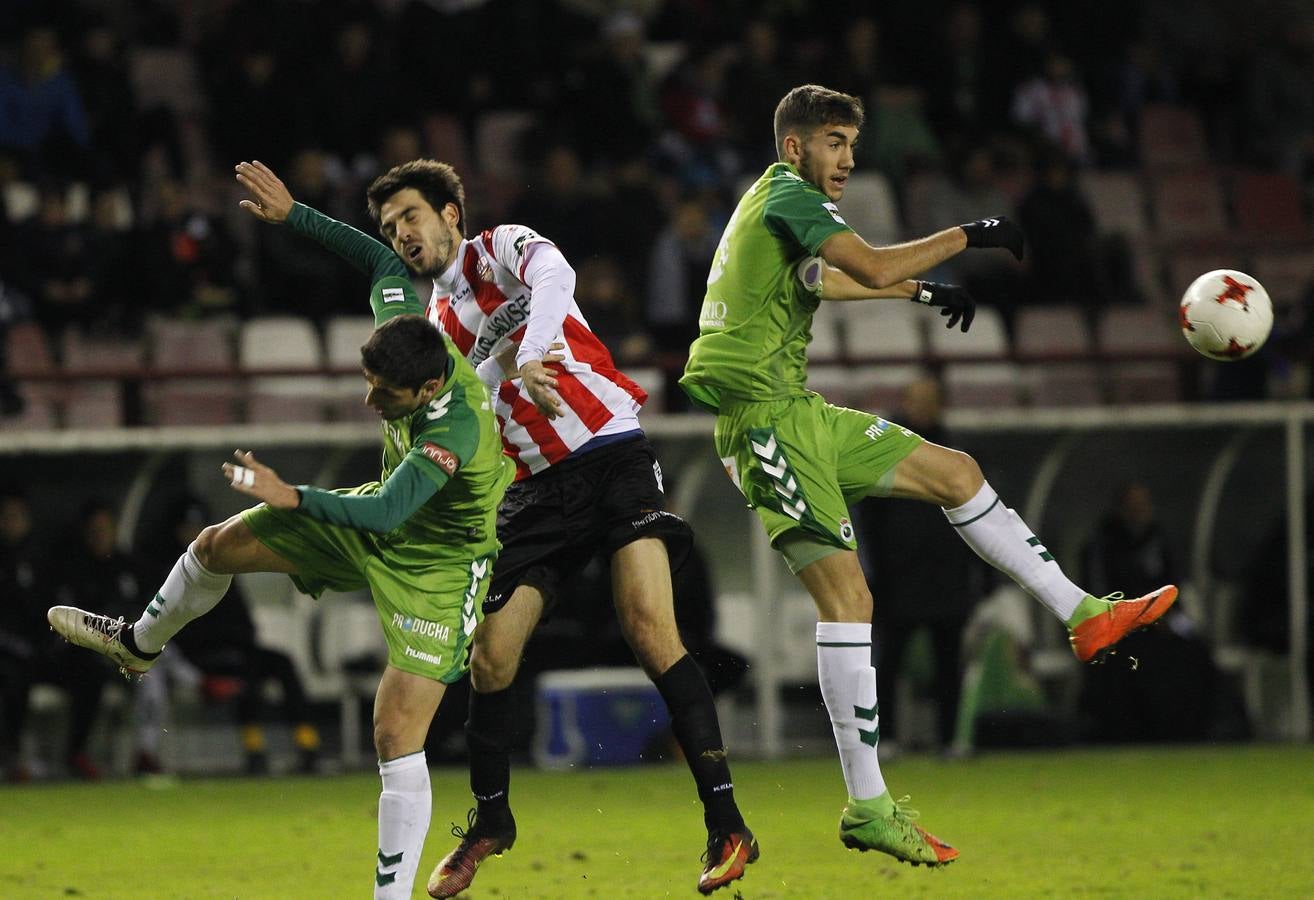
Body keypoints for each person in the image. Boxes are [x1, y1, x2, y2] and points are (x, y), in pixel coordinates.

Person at [678, 83, 1178, 868]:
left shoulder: (776, 208)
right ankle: (868, 805)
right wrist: (968, 235)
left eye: (852, 143)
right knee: (850, 600)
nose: (847, 158)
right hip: (763, 423)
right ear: (794, 148)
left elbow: (820, 281)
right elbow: (868, 266)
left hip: (799, 411)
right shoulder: (786, 192)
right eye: (834, 142)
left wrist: (917, 289)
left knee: (956, 472)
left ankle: (1083, 614)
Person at [230, 158, 755, 896]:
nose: (403, 235)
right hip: (533, 494)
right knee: (491, 658)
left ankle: (727, 825)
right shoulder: (433, 336)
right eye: (390, 228)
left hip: (610, 456)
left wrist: (537, 348)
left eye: (411, 216)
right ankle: (491, 821)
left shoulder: (503, 248)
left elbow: (557, 277)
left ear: (451, 213)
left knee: (648, 625)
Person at [49, 287, 512, 897]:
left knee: (396, 732)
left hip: (438, 567)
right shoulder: (413, 341)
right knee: (216, 546)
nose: (369, 398)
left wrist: (290, 494)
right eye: (367, 381)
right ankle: (138, 644)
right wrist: (293, 214)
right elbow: (379, 263)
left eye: (384, 393)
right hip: (375, 521)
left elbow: (388, 512)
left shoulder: (457, 424)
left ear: (427, 391)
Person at [142, 495, 324, 775]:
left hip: (235, 648)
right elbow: (172, 627)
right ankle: (254, 750)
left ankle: (307, 743)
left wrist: (239, 639)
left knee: (280, 662)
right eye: (187, 527)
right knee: (245, 673)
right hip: (199, 656)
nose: (193, 533)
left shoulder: (218, 563)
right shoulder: (169, 570)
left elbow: (242, 620)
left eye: (199, 526)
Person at [854, 376, 984, 753]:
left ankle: (950, 738)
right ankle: (886, 736)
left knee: (949, 661)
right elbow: (868, 516)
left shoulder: (956, 452)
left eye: (927, 400)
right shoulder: (884, 448)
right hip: (897, 575)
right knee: (887, 661)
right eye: (915, 400)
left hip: (948, 574)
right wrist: (872, 570)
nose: (920, 407)